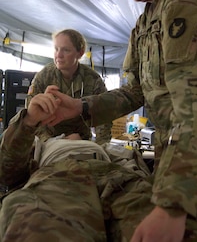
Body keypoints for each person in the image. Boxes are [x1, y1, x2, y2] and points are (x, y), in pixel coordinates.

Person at [39, 0, 197, 241]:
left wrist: (174, 205)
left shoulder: (184, 2)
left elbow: (193, 107)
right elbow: (134, 92)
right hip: (172, 157)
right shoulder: (143, 25)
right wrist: (80, 108)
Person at [0, 91, 152, 242]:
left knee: (152, 224)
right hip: (58, 175)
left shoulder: (100, 145)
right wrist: (29, 120)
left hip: (113, 174)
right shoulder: (38, 143)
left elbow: (131, 159)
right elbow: (7, 172)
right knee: (38, 225)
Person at [25, 28, 112, 145]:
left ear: (80, 53)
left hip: (80, 141)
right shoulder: (44, 76)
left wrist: (101, 148)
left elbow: (103, 115)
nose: (59, 55)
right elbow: (31, 115)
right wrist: (49, 141)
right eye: (56, 49)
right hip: (47, 141)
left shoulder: (92, 79)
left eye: (66, 50)